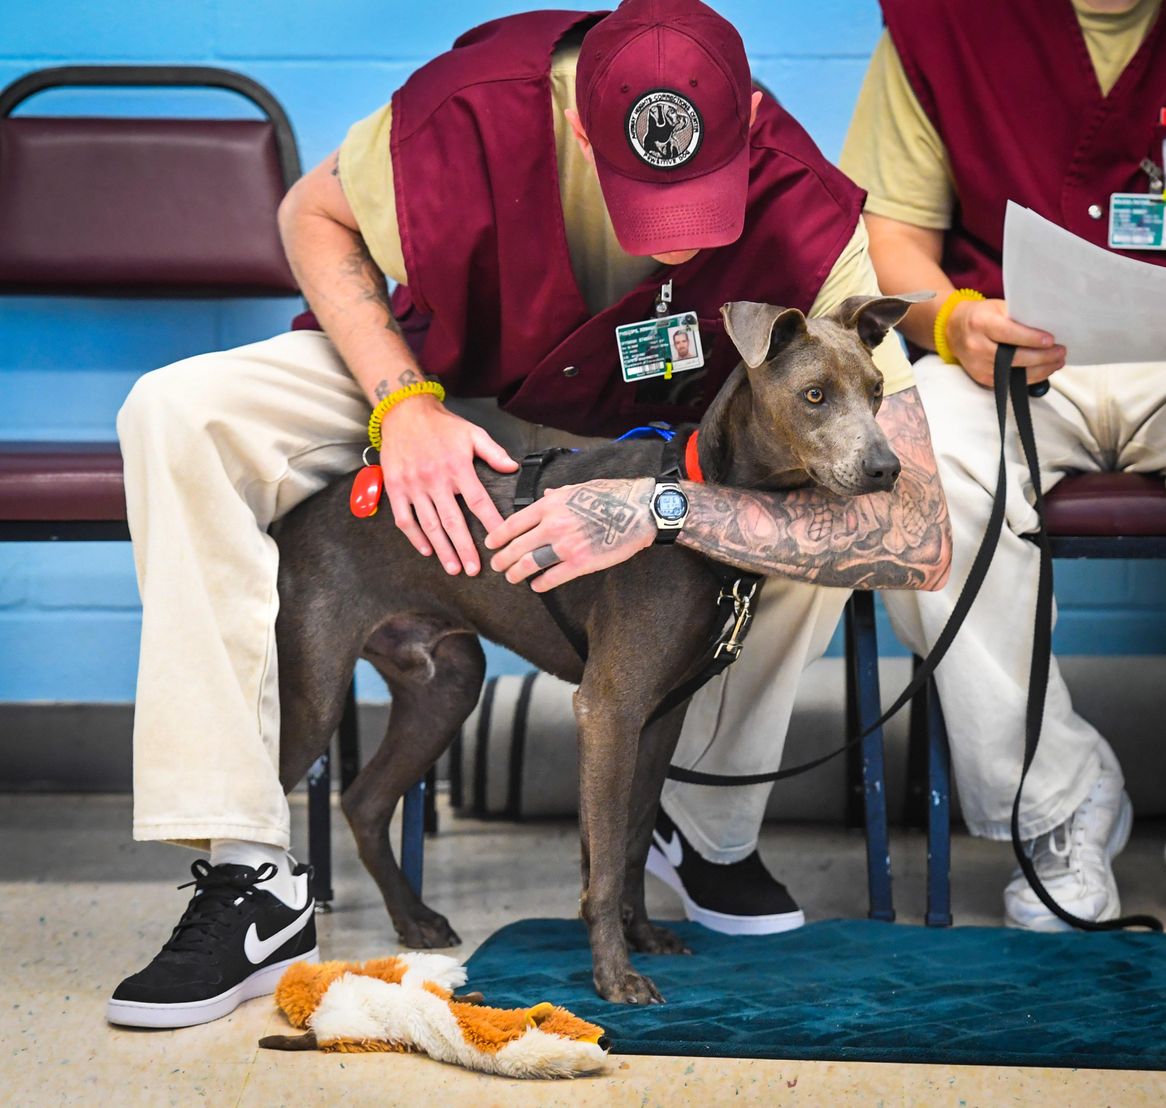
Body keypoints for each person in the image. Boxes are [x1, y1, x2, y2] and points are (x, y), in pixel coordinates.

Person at [107, 0, 951, 1029]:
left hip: (647, 437)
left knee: (816, 521)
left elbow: (916, 529)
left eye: (705, 199)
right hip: (446, 385)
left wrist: (667, 505)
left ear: (751, 122)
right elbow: (307, 215)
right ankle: (247, 873)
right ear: (581, 125)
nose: (673, 244)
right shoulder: (467, 109)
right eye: (649, 204)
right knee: (175, 412)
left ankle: (697, 827)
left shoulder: (805, 202)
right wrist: (399, 401)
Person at [837, 0, 1166, 929]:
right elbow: (896, 243)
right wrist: (953, 320)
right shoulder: (944, 21)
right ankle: (1060, 804)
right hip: (1011, 353)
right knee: (924, 471)